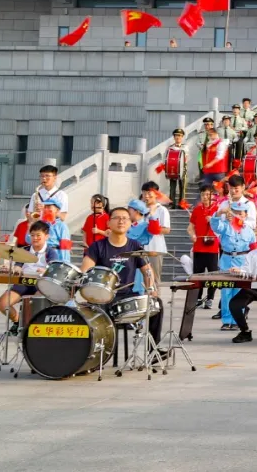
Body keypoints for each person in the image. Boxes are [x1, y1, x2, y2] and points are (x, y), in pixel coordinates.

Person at [82, 207, 164, 353]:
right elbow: (85, 271)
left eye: (125, 218)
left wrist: (151, 290)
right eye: (117, 218)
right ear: (108, 223)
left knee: (157, 303)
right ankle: (98, 352)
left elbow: (147, 271)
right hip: (103, 297)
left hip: (126, 296)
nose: (121, 221)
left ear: (130, 223)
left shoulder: (135, 246)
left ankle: (154, 350)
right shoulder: (97, 246)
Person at [0, 222, 59, 333]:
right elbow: (18, 266)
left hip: (40, 285)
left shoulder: (51, 252)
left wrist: (46, 271)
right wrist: (16, 269)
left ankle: (33, 328)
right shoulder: (24, 251)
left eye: (38, 235)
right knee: (3, 304)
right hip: (23, 282)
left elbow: (54, 269)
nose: (35, 238)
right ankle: (17, 322)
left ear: (46, 236)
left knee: (35, 304)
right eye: (32, 235)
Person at [209, 199, 256, 331]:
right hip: (227, 260)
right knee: (226, 292)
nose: (238, 215)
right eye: (235, 212)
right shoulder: (225, 226)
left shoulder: (249, 231)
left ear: (246, 215)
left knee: (239, 292)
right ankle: (226, 320)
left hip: (242, 261)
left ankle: (237, 320)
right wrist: (219, 213)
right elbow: (214, 225)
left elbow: (253, 249)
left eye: (241, 213)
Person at [188, 185, 220, 309]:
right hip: (198, 247)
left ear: (212, 195)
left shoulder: (217, 209)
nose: (205, 197)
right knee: (198, 274)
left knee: (213, 274)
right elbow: (190, 227)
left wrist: (212, 220)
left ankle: (210, 298)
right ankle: (198, 297)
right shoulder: (197, 209)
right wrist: (192, 235)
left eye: (207, 194)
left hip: (212, 248)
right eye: (203, 195)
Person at [140, 181, 171, 284]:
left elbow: (166, 229)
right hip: (139, 249)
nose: (146, 196)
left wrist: (151, 228)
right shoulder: (140, 210)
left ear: (156, 194)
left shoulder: (162, 210)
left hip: (155, 249)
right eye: (144, 193)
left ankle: (155, 294)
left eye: (149, 193)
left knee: (154, 278)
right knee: (140, 279)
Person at [167, 128, 189, 205]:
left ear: (182, 137)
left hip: (182, 169)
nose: (178, 137)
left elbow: (185, 156)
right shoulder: (170, 147)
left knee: (182, 187)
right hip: (173, 169)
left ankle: (181, 203)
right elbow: (166, 158)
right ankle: (171, 203)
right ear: (174, 137)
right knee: (172, 187)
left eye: (180, 136)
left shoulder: (185, 147)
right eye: (176, 135)